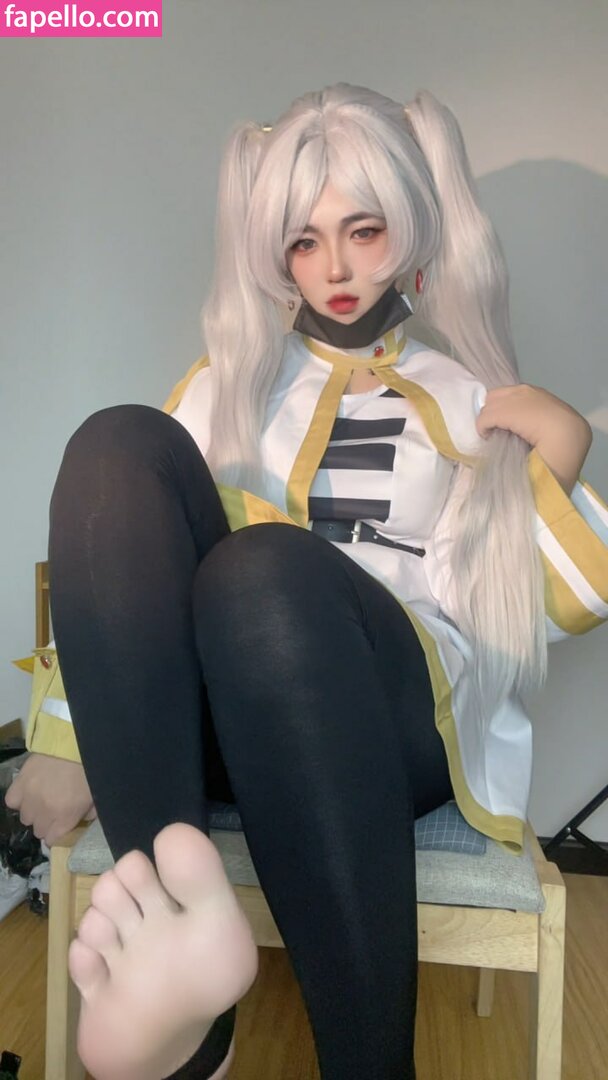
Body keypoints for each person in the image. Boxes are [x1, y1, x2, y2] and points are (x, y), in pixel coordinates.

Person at [6, 83, 607, 1080]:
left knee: (262, 575)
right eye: (303, 241)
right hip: (220, 726)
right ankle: (183, 1007)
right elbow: (128, 572)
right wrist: (66, 735)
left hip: (389, 726)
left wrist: (560, 456)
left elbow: (546, 608)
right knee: (117, 443)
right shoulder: (227, 385)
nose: (334, 268)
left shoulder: (468, 400)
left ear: (411, 227)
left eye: (363, 231)